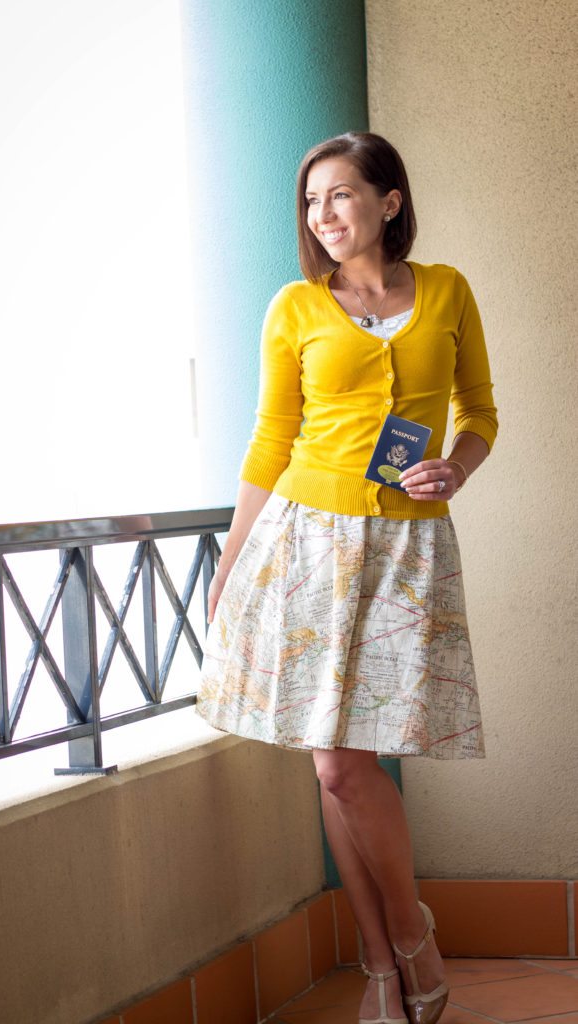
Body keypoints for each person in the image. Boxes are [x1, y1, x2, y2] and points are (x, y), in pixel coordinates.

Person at [194, 131, 498, 1024]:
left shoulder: (445, 291)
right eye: (311, 202)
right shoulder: (293, 306)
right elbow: (269, 442)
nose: (323, 216)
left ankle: (385, 953)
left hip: (407, 549)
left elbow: (478, 412)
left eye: (339, 196)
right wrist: (231, 558)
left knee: (352, 762)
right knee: (333, 764)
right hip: (306, 546)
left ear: (389, 200)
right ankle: (402, 945)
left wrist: (457, 466)